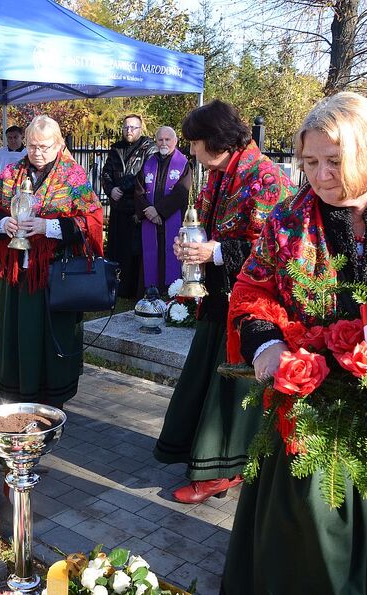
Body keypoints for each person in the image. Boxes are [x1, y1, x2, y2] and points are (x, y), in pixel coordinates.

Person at [222, 92, 367, 595]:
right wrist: (265, 345)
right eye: (309, 162)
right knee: (308, 532)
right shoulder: (288, 219)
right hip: (314, 398)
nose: (321, 175)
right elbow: (252, 289)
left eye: (335, 160)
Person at [152, 100, 294, 503]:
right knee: (210, 377)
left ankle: (224, 469)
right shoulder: (220, 172)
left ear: (216, 140)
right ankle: (209, 459)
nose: (191, 152)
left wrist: (212, 252)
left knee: (231, 388)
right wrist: (191, 245)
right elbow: (209, 228)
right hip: (218, 298)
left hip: (252, 307)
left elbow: (272, 249)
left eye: (196, 143)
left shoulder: (265, 177)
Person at [0, 115, 103, 408]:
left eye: (45, 146)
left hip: (54, 276)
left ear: (59, 144)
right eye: (32, 146)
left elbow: (93, 220)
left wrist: (50, 228)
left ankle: (51, 405)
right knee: (17, 338)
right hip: (16, 277)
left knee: (51, 340)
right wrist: (2, 221)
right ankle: (16, 398)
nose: (37, 153)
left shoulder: (73, 176)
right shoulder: (13, 172)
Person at [101, 114, 158, 299]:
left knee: (135, 252)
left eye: (133, 127)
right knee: (117, 250)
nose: (129, 131)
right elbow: (106, 173)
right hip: (118, 207)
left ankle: (135, 290)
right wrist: (110, 189)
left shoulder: (149, 148)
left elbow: (144, 175)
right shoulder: (116, 148)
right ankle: (117, 288)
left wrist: (121, 188)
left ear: (140, 129)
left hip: (137, 208)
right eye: (126, 127)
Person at [134, 126, 192, 293]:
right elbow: (138, 191)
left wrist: (158, 211)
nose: (164, 143)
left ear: (175, 141)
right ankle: (149, 292)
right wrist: (149, 211)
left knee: (170, 257)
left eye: (168, 139)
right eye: (160, 139)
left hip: (171, 218)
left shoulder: (183, 164)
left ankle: (171, 292)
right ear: (156, 141)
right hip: (151, 221)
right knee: (151, 257)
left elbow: (182, 192)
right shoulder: (148, 163)